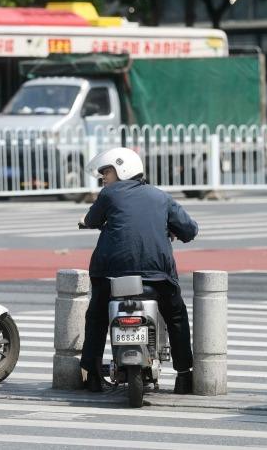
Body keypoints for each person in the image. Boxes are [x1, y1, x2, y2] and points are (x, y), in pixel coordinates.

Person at [78, 147, 199, 394]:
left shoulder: (109, 194)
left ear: (123, 169)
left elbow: (91, 220)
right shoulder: (161, 197)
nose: (104, 177)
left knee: (97, 317)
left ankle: (91, 375)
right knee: (176, 316)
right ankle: (184, 375)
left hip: (111, 275)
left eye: (107, 171)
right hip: (158, 276)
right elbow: (189, 229)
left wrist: (88, 222)